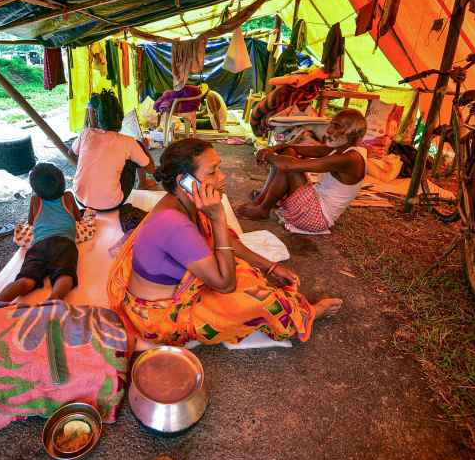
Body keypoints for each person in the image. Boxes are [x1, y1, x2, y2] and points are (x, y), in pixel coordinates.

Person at [107, 138, 342, 346]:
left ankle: (285, 300)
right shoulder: (174, 223)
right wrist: (218, 217)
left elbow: (225, 241)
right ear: (184, 182)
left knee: (243, 267)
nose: (222, 177)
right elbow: (225, 284)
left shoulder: (182, 203)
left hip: (175, 289)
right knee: (256, 302)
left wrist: (270, 266)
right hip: (159, 318)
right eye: (212, 172)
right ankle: (306, 313)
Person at [237, 109, 367, 234]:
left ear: (353, 134)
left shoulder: (350, 159)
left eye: (337, 126)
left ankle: (263, 209)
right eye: (331, 124)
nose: (328, 130)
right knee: (289, 154)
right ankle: (261, 201)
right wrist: (272, 149)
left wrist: (266, 154)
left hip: (317, 219)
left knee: (291, 166)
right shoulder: (341, 148)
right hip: (315, 205)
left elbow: (290, 166)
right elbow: (293, 148)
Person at [0, 163, 81, 303]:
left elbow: (31, 222)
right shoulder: (68, 197)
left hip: (39, 246)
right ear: (62, 182)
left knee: (26, 280)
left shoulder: (35, 200)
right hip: (64, 243)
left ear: (35, 188)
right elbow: (78, 217)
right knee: (64, 275)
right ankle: (54, 299)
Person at [73, 90, 157, 211]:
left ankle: (97, 183)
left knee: (118, 156)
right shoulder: (129, 142)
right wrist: (144, 148)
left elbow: (72, 153)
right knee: (134, 151)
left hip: (80, 199)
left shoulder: (87, 133)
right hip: (110, 204)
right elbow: (151, 169)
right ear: (121, 117)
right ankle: (142, 183)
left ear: (98, 118)